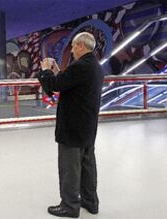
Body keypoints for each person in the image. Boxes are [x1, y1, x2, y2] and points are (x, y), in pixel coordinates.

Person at [38, 32, 104, 218]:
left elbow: (55, 85)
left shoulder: (81, 66)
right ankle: (90, 202)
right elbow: (69, 83)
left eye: (74, 46)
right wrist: (59, 71)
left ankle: (69, 206)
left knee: (70, 168)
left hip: (72, 127)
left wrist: (46, 71)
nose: (72, 50)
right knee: (87, 165)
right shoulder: (94, 66)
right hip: (87, 125)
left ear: (82, 46)